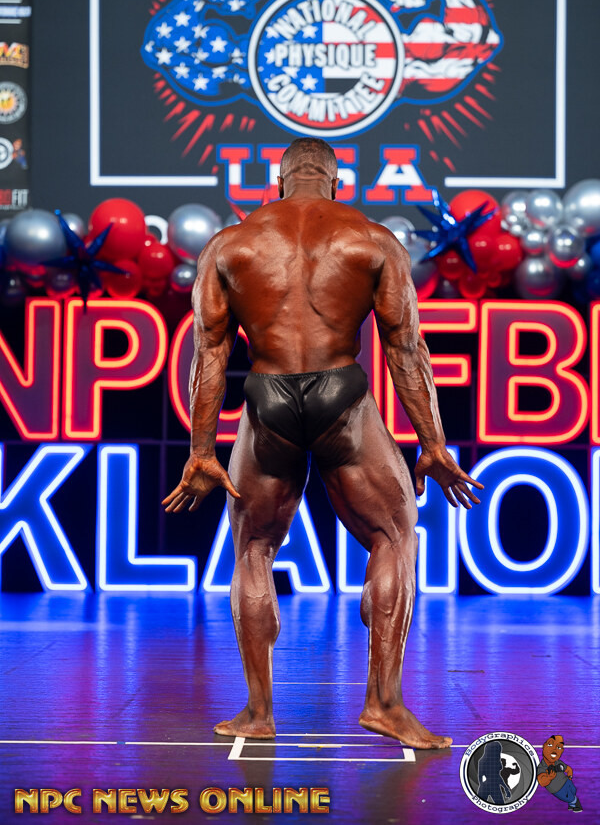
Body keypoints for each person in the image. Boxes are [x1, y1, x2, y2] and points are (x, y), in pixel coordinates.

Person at [163, 137, 483, 750]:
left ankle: (258, 713)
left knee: (253, 547)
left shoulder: (230, 245)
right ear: (337, 183)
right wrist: (433, 444)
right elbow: (406, 349)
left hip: (267, 396)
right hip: (342, 394)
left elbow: (209, 353)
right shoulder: (372, 241)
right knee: (393, 535)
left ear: (279, 181)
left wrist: (202, 450)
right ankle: (384, 704)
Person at [537, 735, 582, 812]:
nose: (554, 749)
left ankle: (571, 805)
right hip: (557, 789)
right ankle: (576, 803)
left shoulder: (558, 762)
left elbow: (568, 769)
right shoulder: (542, 767)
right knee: (569, 798)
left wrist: (570, 776)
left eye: (559, 747)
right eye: (550, 744)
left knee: (573, 790)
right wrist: (549, 778)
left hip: (566, 781)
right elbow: (541, 781)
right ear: (544, 746)